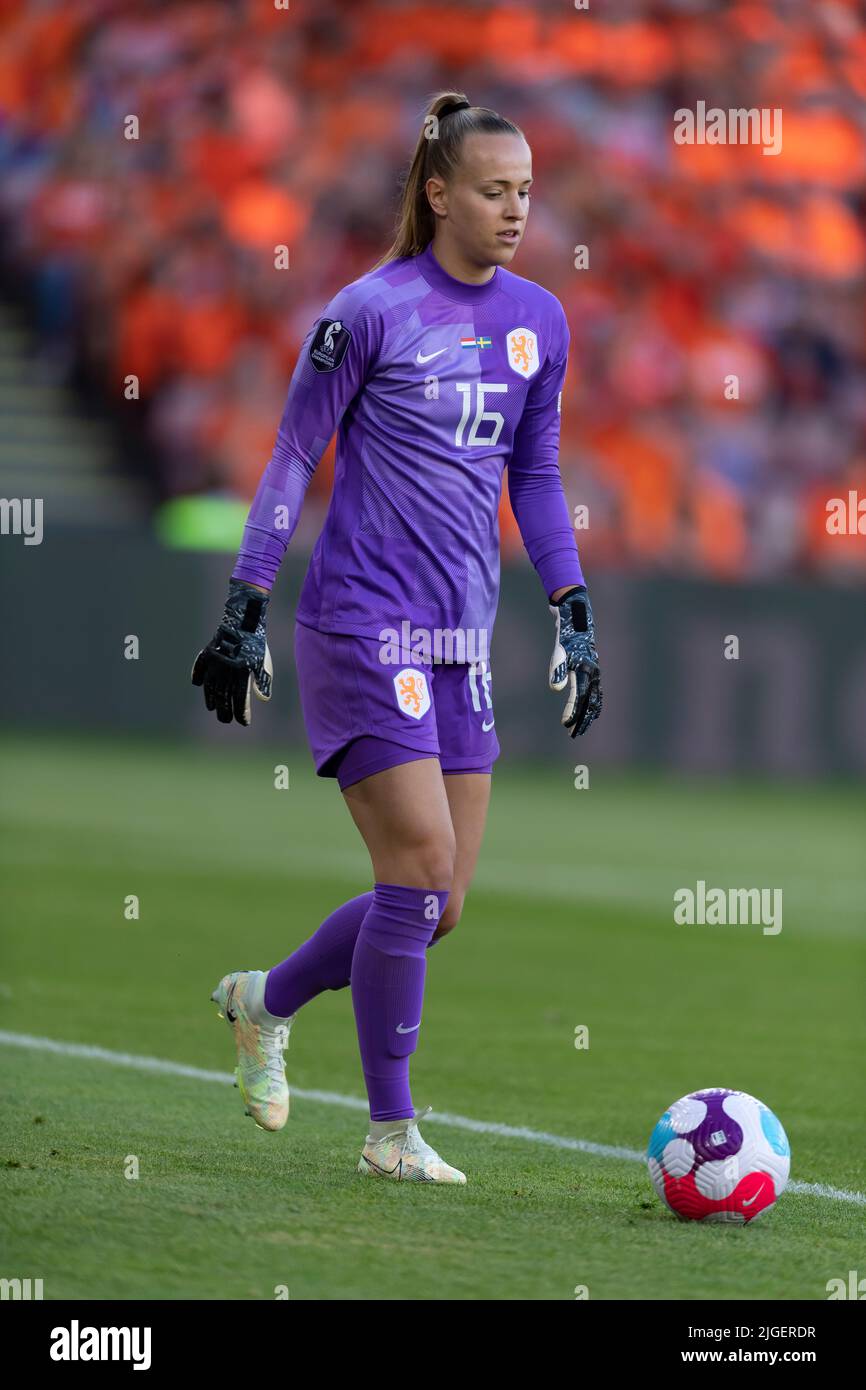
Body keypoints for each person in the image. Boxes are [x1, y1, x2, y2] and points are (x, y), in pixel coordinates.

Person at [192, 92, 602, 1184]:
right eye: (491, 190)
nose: (515, 209)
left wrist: (569, 602)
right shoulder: (367, 312)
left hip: (462, 641)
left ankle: (262, 1000)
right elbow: (291, 457)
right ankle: (389, 1133)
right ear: (436, 192)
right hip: (362, 623)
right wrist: (243, 604)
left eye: (524, 191)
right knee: (415, 869)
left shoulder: (538, 322)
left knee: (437, 904)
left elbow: (536, 474)